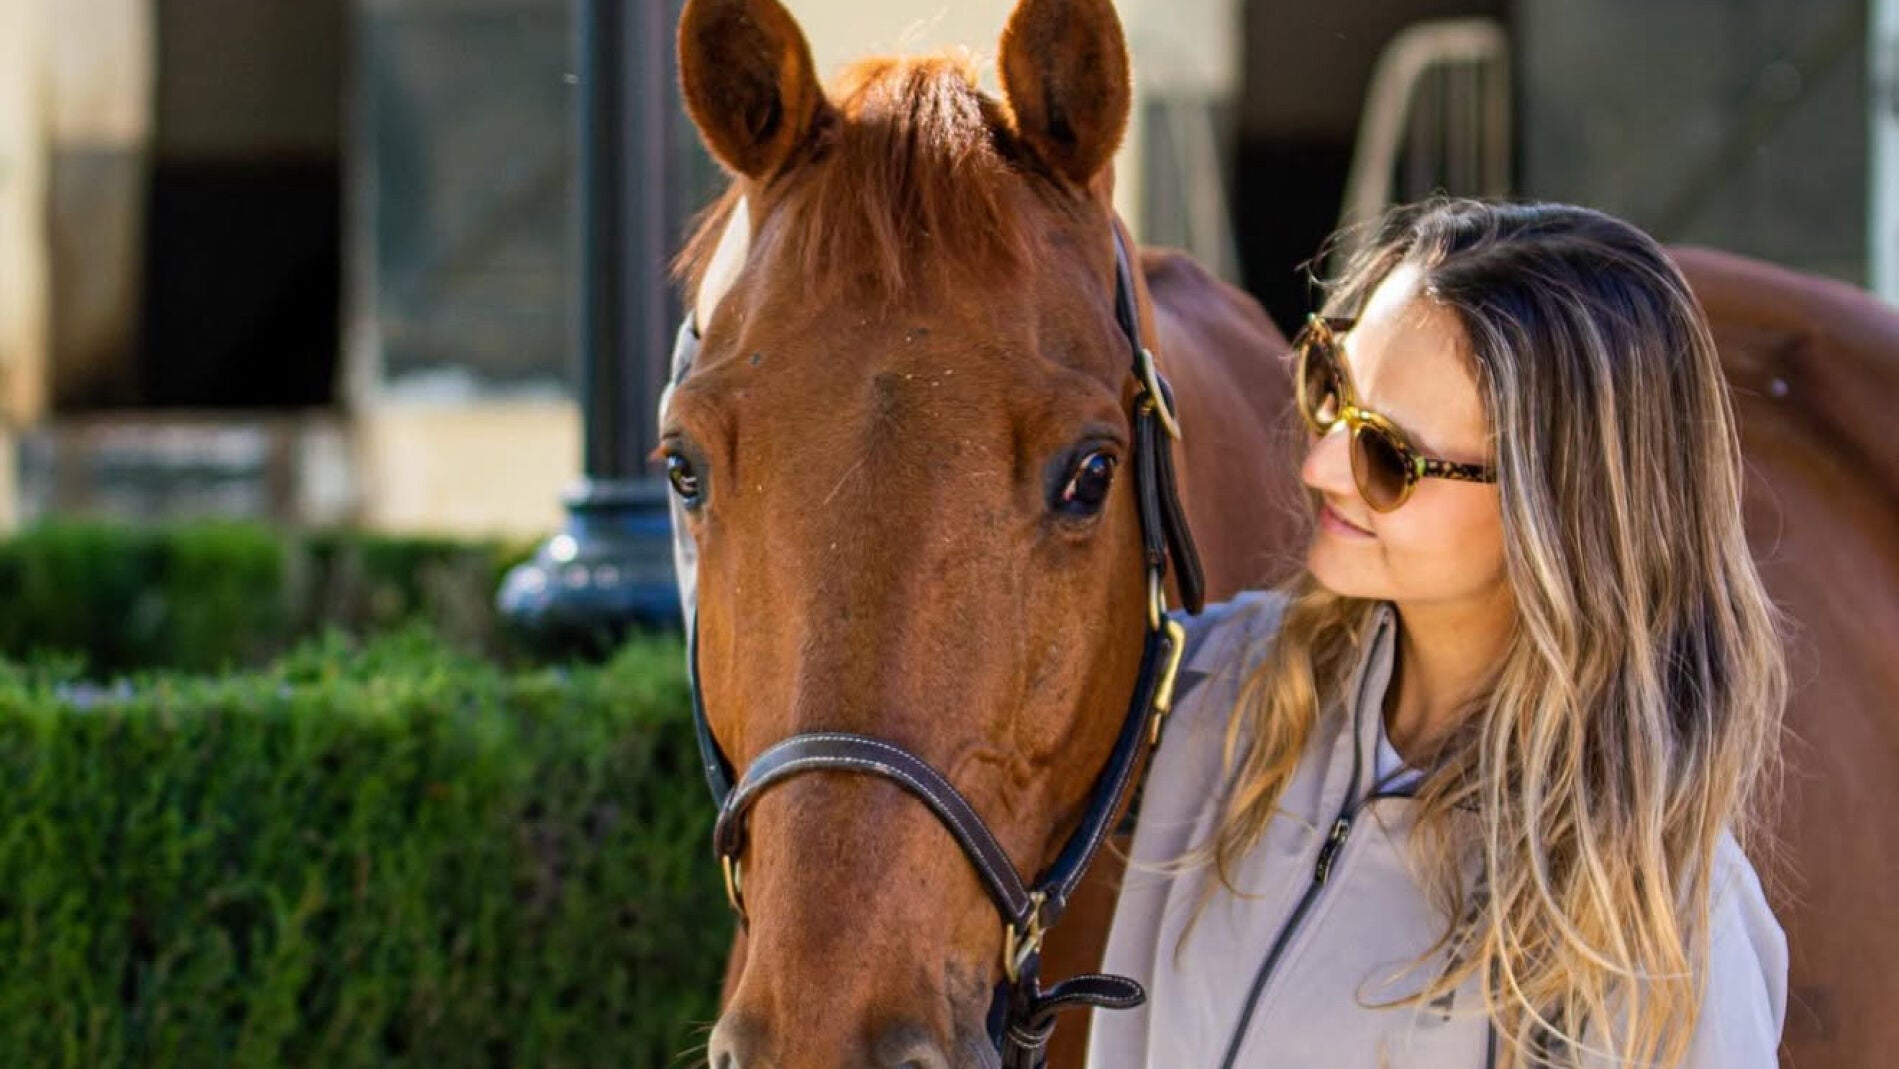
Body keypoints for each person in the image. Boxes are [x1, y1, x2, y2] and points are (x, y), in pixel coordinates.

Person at [1088, 199, 1788, 1068]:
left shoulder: (1664, 933)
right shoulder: (1211, 695)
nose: (1317, 464)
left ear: (1556, 514)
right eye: (1330, 389)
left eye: (1387, 455)